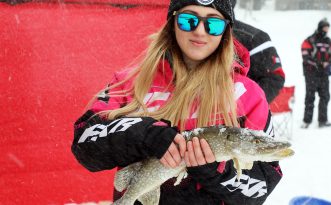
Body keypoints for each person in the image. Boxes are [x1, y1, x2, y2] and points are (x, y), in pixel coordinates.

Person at [71, 0, 282, 204]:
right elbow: (84, 143)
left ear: (226, 32)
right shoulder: (132, 82)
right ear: (172, 23)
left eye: (214, 23)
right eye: (188, 20)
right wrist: (144, 135)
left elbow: (261, 187)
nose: (200, 31)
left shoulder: (247, 94)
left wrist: (214, 169)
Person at [231, 0, 285, 103]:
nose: (200, 31)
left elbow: (274, 78)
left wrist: (243, 108)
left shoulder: (255, 38)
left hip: (234, 114)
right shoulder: (192, 34)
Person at [301, 18, 331, 128]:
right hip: (311, 73)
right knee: (310, 97)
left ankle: (322, 121)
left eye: (328, 28)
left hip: (324, 74)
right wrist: (319, 64)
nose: (326, 30)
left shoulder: (329, 41)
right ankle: (307, 121)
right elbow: (305, 56)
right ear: (320, 27)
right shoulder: (310, 40)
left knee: (325, 96)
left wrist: (328, 63)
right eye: (325, 27)